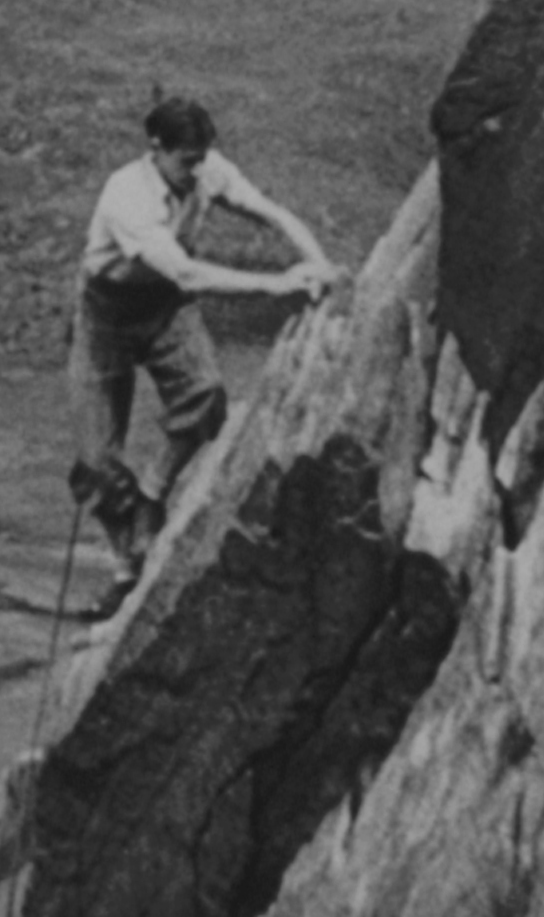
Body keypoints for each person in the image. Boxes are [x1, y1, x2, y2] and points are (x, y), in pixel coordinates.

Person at [68, 96, 342, 619]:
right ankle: (125, 571)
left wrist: (319, 265)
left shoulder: (208, 169)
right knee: (96, 464)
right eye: (186, 161)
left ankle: (152, 495)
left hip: (164, 305)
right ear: (156, 149)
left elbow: (272, 214)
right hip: (106, 314)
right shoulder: (127, 195)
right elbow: (187, 272)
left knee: (206, 394)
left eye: (201, 159)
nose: (196, 172)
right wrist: (278, 284)